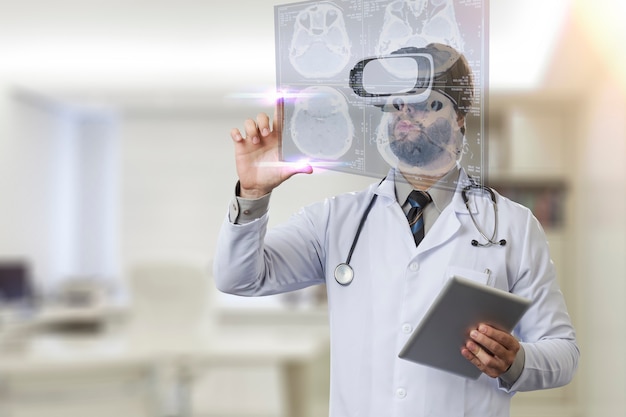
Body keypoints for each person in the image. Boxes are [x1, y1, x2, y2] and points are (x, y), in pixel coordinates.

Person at [213, 43, 579, 417]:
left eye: (423, 100)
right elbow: (237, 278)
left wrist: (516, 360)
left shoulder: (512, 225)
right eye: (396, 101)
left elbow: (563, 353)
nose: (405, 110)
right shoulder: (336, 219)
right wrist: (253, 194)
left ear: (460, 117)